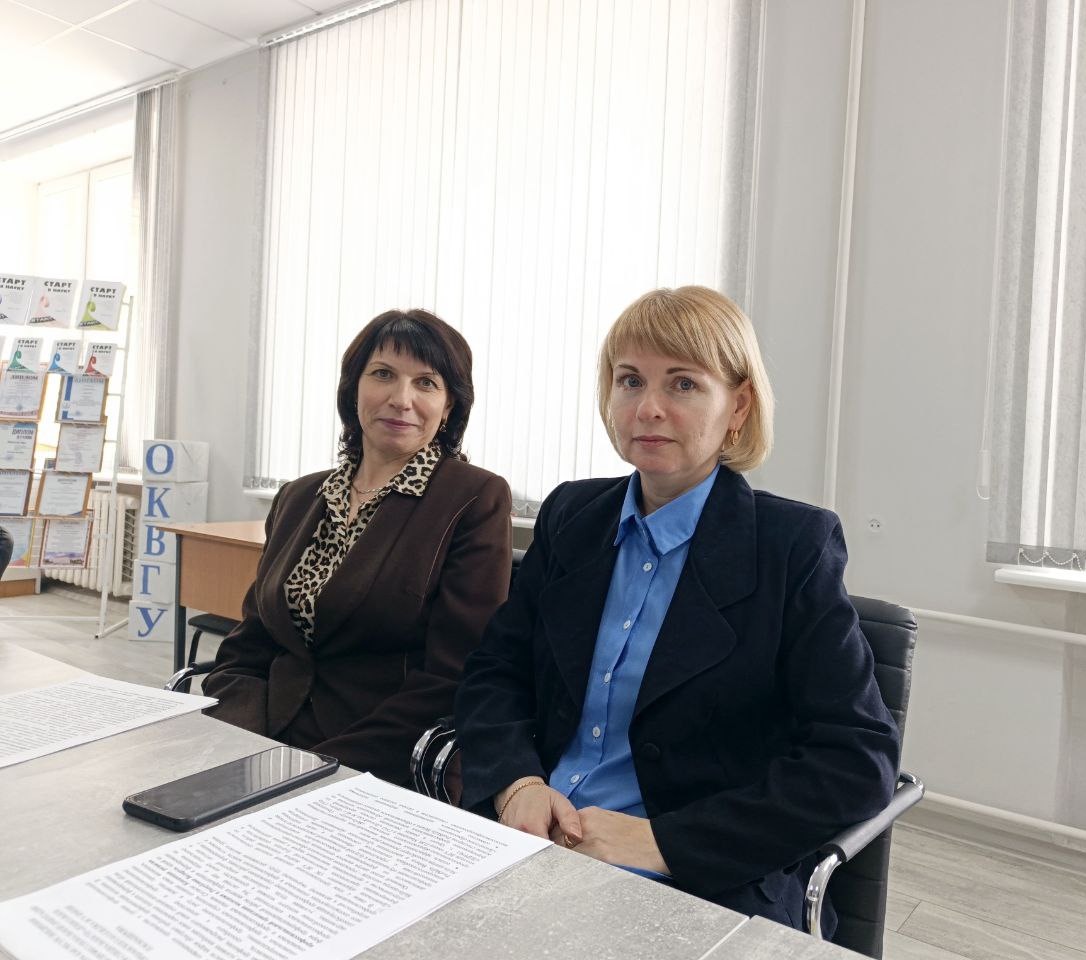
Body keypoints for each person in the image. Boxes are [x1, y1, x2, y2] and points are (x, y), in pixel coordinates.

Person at [454, 286, 900, 934]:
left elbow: (857, 761)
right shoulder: (572, 515)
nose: (648, 408)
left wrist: (660, 842)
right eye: (630, 380)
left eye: (683, 384)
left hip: (695, 879)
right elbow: (497, 669)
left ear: (738, 405)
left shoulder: (791, 547)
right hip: (526, 840)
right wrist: (516, 782)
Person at [204, 309, 512, 784]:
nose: (401, 399)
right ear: (353, 390)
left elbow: (453, 675)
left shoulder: (473, 498)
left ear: (449, 405)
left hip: (375, 757)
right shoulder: (299, 496)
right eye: (383, 374)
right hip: (263, 740)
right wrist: (237, 741)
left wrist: (313, 770)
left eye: (426, 383)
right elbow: (251, 644)